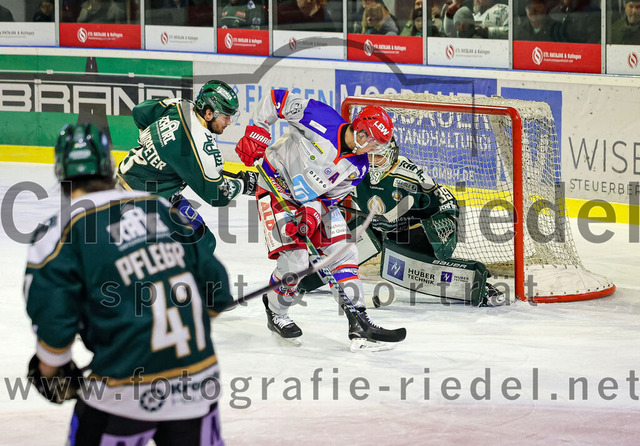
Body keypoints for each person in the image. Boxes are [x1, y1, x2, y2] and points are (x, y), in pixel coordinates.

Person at [25, 123, 233, 445]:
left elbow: (55, 328)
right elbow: (217, 291)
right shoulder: (159, 207)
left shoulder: (60, 232)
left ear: (61, 173)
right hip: (197, 384)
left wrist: (50, 369)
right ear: (109, 166)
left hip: (121, 391)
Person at [234, 90, 396, 350]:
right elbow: (276, 99)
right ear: (361, 133)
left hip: (312, 202)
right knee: (295, 262)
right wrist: (258, 131)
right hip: (275, 187)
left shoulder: (359, 167)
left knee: (344, 252)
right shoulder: (320, 116)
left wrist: (312, 213)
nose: (376, 150)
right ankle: (276, 311)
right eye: (375, 143)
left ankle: (359, 321)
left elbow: (330, 198)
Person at [300, 137, 505, 307]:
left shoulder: (410, 173)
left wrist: (446, 221)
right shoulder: (353, 170)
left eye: (379, 157)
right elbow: (326, 196)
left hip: (418, 231)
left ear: (391, 155)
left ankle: (475, 284)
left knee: (408, 263)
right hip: (380, 228)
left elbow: (444, 199)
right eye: (369, 156)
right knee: (346, 246)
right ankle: (302, 279)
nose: (373, 162)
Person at [116, 80, 258, 256]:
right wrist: (243, 185)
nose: (229, 122)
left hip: (135, 182)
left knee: (202, 241)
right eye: (225, 116)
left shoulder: (180, 105)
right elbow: (217, 195)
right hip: (139, 201)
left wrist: (155, 144)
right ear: (208, 113)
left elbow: (140, 111)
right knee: (182, 250)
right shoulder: (201, 146)